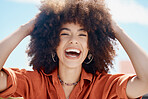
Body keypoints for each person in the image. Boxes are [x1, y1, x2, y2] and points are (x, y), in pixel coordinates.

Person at [0, 0, 148, 99]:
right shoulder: (35, 82)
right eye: (65, 33)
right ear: (53, 43)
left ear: (91, 46)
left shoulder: (105, 86)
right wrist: (25, 29)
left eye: (82, 34)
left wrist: (117, 31)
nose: (73, 40)